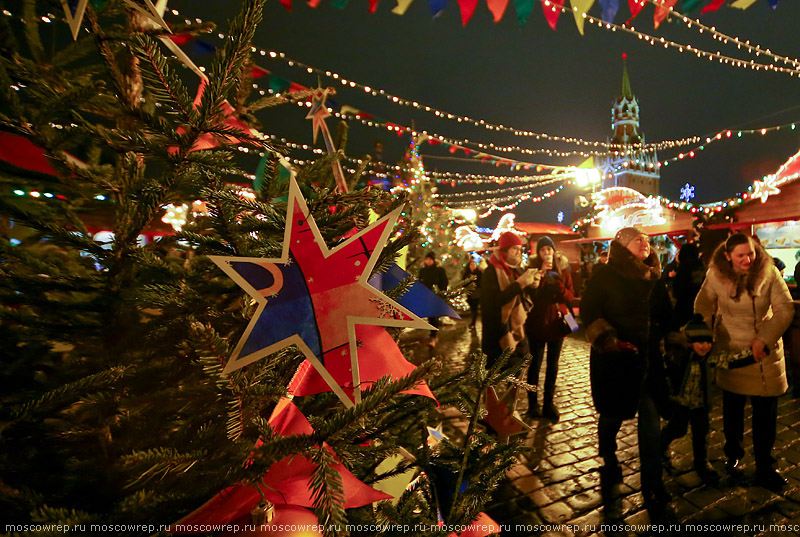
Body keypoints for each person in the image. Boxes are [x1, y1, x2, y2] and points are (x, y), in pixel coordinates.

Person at [581, 227, 673, 521]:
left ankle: (653, 484)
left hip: (648, 363)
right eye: (638, 239)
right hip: (617, 361)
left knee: (650, 425)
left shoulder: (653, 278)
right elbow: (589, 311)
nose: (645, 243)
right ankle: (607, 452)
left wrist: (677, 337)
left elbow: (666, 315)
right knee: (613, 415)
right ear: (622, 245)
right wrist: (608, 340)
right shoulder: (605, 275)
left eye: (647, 240)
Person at [694, 233, 794, 491]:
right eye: (741, 256)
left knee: (765, 414)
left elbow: (785, 308)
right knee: (733, 410)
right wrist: (702, 335)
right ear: (728, 256)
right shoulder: (716, 274)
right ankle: (733, 454)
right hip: (731, 351)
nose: (748, 259)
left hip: (764, 355)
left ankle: (765, 465)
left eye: (750, 253)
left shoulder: (769, 271)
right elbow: (703, 304)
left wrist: (765, 337)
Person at [660, 315, 719, 484]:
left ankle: (702, 462)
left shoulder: (708, 359)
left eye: (708, 342)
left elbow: (728, 360)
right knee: (678, 429)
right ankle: (661, 444)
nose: (705, 346)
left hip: (700, 404)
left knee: (701, 433)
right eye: (700, 342)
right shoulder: (680, 357)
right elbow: (665, 371)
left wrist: (751, 355)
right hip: (681, 402)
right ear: (689, 342)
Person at [523, 236, 575, 422]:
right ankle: (532, 405)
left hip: (557, 324)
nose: (547, 253)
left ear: (554, 251)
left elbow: (570, 295)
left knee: (553, 365)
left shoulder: (563, 269)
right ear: (538, 253)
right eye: (543, 250)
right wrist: (542, 276)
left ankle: (548, 404)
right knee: (535, 365)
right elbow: (531, 296)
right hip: (537, 322)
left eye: (549, 249)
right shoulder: (532, 270)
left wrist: (559, 285)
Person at [480, 232, 542, 366]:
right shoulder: (491, 272)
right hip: (497, 331)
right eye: (514, 248)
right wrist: (520, 284)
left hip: (518, 328)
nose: (518, 252)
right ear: (504, 250)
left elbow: (528, 299)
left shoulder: (520, 269)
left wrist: (534, 285)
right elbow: (494, 302)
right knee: (494, 375)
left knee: (518, 372)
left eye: (520, 249)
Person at [671, 242, 706, 330]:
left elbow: (677, 291)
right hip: (701, 306)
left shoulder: (683, 268)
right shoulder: (702, 267)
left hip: (684, 308)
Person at [418, 251, 449, 347]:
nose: (428, 261)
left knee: (434, 317)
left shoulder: (439, 270)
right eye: (427, 259)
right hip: (426, 296)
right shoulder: (423, 270)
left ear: (433, 260)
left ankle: (433, 336)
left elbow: (444, 282)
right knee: (430, 317)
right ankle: (433, 335)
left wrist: (441, 292)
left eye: (430, 259)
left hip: (436, 296)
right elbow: (420, 281)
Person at [461, 258, 483, 330]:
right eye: (471, 265)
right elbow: (463, 282)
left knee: (475, 308)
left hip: (477, 293)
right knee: (472, 308)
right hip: (469, 293)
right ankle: (473, 322)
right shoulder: (466, 273)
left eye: (474, 264)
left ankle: (473, 322)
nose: (473, 266)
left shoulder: (479, 273)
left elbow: (480, 282)